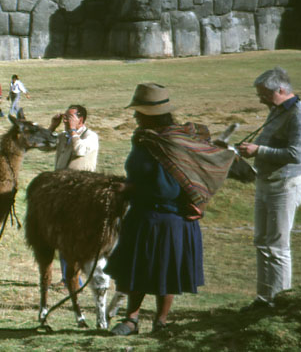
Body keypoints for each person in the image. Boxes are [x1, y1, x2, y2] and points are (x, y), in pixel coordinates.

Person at [106, 83, 234, 336]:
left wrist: (201, 202)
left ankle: (161, 322)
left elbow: (209, 170)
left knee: (167, 271)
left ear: (148, 115)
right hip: (142, 214)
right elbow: (141, 175)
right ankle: (131, 320)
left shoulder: (178, 141)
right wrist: (129, 187)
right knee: (136, 270)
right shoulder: (143, 140)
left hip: (173, 217)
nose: (134, 116)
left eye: (138, 112)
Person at [236, 67, 301, 310]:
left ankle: (279, 303)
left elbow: (296, 154)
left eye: (264, 93)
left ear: (281, 90)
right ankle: (264, 299)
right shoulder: (277, 110)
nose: (260, 98)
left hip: (285, 185)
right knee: (262, 242)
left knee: (277, 247)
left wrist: (257, 151)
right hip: (266, 182)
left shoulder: (300, 114)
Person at [49, 104, 100, 285]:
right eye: (65, 117)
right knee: (62, 235)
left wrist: (73, 132)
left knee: (75, 237)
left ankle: (75, 279)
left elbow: (79, 150)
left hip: (81, 193)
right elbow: (46, 145)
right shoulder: (63, 136)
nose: (66, 121)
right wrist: (52, 127)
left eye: (70, 118)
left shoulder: (90, 136)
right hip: (61, 191)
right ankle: (67, 278)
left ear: (81, 120)